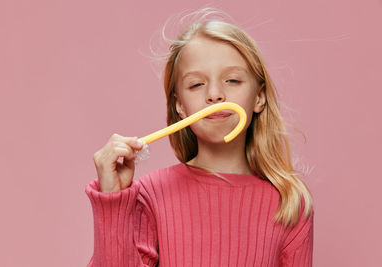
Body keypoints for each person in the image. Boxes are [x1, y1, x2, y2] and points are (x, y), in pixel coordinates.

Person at [85, 8, 314, 267]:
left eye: (232, 80)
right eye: (196, 84)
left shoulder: (290, 203)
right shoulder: (151, 194)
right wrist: (113, 199)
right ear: (180, 105)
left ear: (259, 98)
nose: (215, 95)